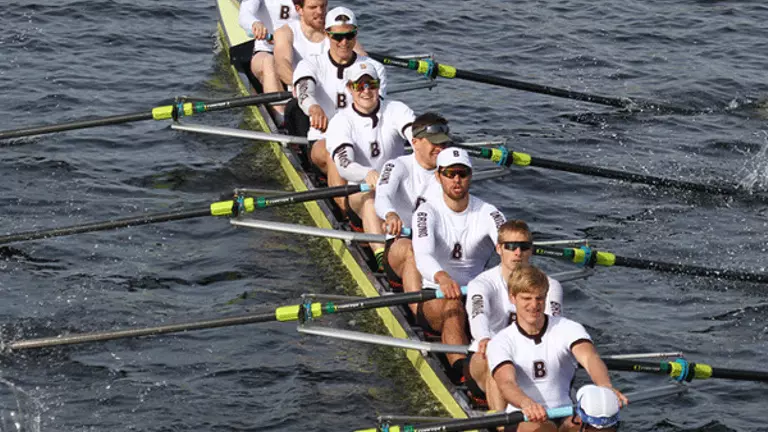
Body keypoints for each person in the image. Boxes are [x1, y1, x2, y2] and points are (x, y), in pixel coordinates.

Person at [486, 266, 628, 432]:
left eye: (539, 298)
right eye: (527, 298)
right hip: (523, 415)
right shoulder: (501, 341)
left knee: (600, 427)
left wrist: (605, 386)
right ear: (512, 297)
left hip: (565, 413)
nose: (534, 305)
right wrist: (526, 403)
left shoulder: (567, 328)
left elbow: (590, 359)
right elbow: (506, 383)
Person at [412, 147, 506, 382]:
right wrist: (442, 277)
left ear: (470, 176)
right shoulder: (426, 211)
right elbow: (423, 256)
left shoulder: (488, 212)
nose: (456, 180)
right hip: (435, 296)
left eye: (462, 174)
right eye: (450, 173)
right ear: (438, 176)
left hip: (475, 294)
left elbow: (507, 240)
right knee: (453, 307)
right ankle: (462, 373)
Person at [293, 6, 386, 209]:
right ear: (327, 35)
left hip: (364, 138)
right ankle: (346, 216)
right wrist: (314, 107)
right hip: (322, 138)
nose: (344, 42)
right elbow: (303, 92)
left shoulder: (373, 68)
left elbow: (378, 108)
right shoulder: (311, 63)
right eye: (337, 37)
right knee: (334, 152)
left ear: (356, 34)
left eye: (349, 35)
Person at [465, 220, 565, 403]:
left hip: (530, 360)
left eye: (523, 247)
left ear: (531, 250)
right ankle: (500, 422)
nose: (518, 253)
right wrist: (484, 338)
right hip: (485, 357)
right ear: (498, 249)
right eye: (510, 246)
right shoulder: (481, 284)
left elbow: (554, 325)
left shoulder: (551, 286)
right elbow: (478, 314)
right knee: (495, 358)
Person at [325, 61, 411, 268]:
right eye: (359, 86)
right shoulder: (341, 121)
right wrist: (367, 174)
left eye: (371, 84)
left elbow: (414, 136)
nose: (366, 90)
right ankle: (381, 257)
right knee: (371, 201)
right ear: (349, 88)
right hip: (361, 190)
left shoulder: (396, 109)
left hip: (396, 189)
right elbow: (344, 164)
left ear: (378, 86)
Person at [374, 113, 452, 290]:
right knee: (413, 250)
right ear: (415, 142)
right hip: (401, 241)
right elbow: (382, 196)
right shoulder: (397, 166)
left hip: (436, 248)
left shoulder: (452, 174)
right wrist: (390, 214)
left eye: (444, 143)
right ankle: (417, 312)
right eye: (434, 143)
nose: (440, 148)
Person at [238, 0, 298, 122]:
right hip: (266, 51)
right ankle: (282, 120)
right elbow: (244, 14)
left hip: (297, 54)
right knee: (269, 63)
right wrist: (255, 23)